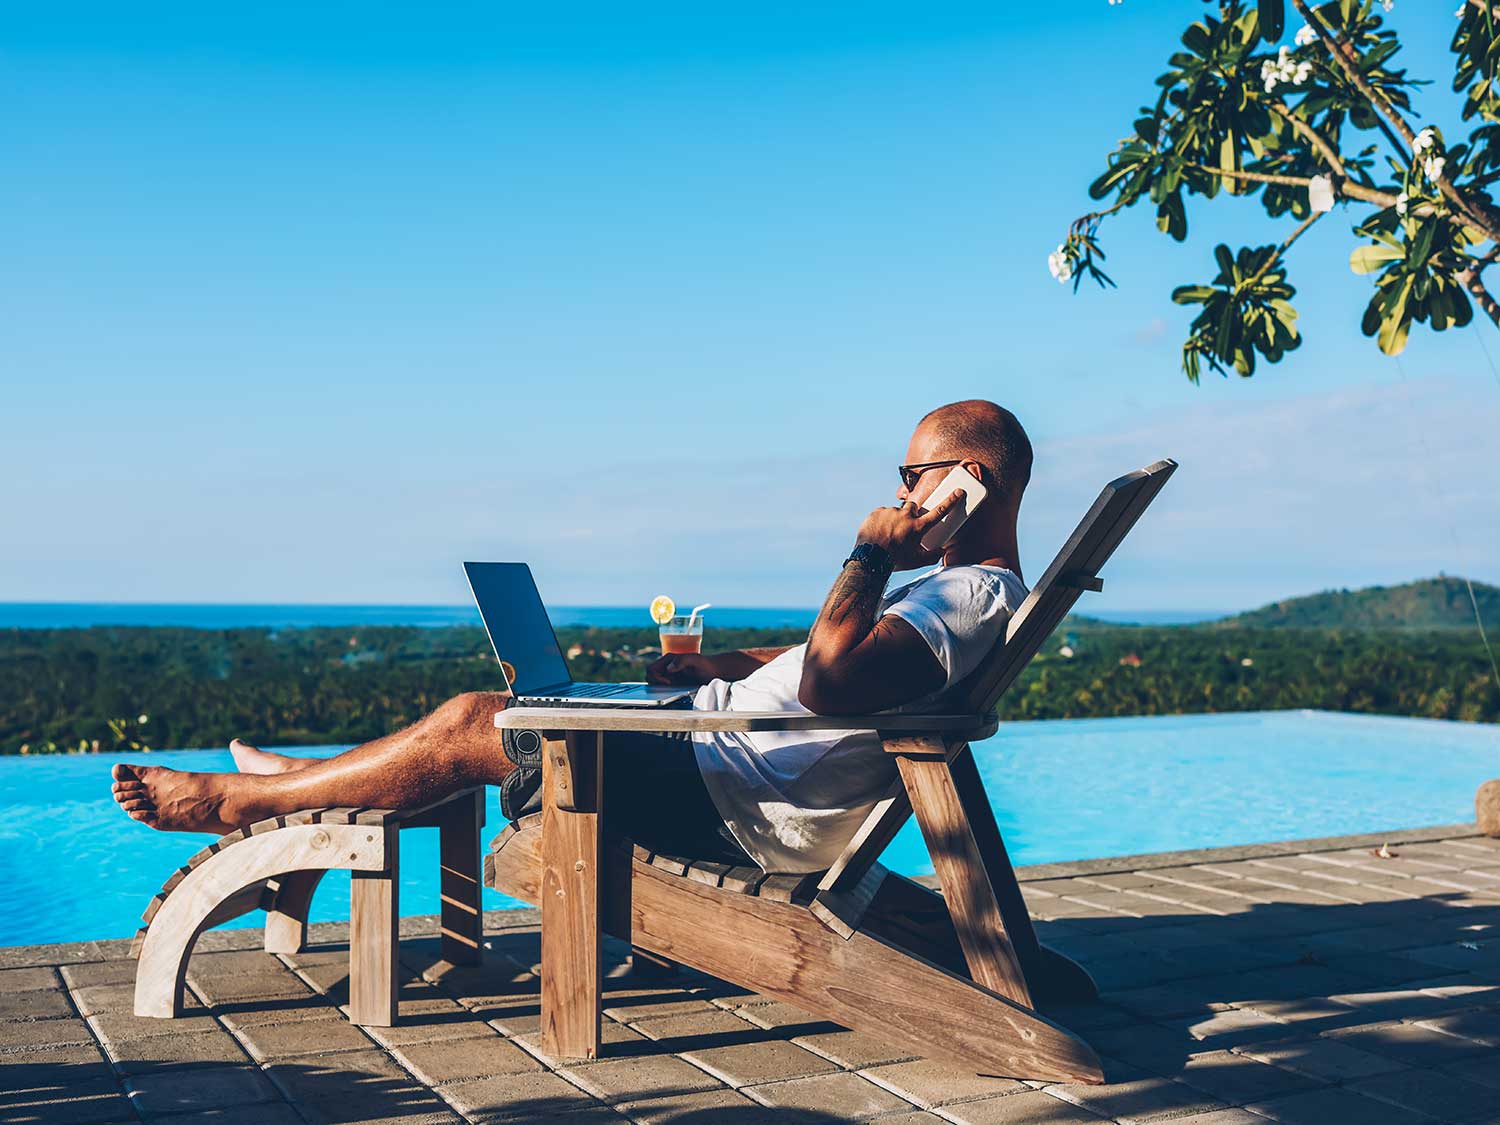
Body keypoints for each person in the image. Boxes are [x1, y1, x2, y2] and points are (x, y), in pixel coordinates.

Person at [112, 399, 1033, 874]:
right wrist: (722, 667)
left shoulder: (968, 595)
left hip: (736, 800)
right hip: (719, 753)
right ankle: (303, 789)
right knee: (512, 717)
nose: (902, 492)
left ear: (969, 481)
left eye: (914, 473)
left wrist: (868, 550)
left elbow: (834, 686)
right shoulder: (958, 593)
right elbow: (832, 668)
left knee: (484, 720)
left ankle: (242, 801)